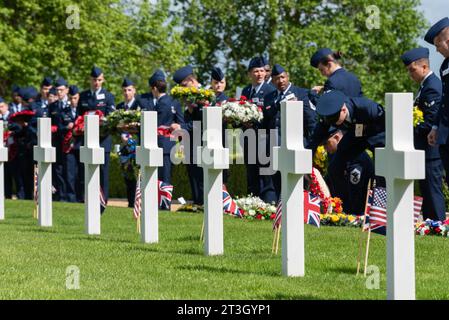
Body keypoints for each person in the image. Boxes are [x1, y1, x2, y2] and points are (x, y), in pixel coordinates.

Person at [401, 47, 446, 221]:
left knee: (433, 191)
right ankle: (430, 223)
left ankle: (438, 225)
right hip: (424, 150)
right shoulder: (425, 86)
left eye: (412, 70)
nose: (410, 74)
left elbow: (430, 122)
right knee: (427, 190)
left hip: (431, 150)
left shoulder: (432, 86)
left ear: (424, 67)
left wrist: (407, 127)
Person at [308, 90, 385, 189]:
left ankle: (380, 192)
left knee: (381, 171)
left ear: (343, 110)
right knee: (335, 166)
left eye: (335, 120)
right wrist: (306, 163)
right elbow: (314, 140)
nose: (333, 124)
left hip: (376, 136)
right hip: (355, 136)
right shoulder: (330, 116)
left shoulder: (367, 108)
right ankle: (340, 199)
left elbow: (385, 125)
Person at [263, 64, 317, 202]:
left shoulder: (301, 93)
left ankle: (300, 205)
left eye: (282, 77)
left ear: (288, 76)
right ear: (273, 80)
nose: (280, 81)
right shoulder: (270, 97)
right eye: (276, 78)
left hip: (296, 144)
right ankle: (280, 206)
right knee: (276, 177)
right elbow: (267, 119)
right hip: (275, 144)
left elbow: (311, 119)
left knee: (298, 178)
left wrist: (311, 145)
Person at [79, 66, 115, 206]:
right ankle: (89, 197)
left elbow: (111, 117)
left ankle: (103, 200)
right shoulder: (84, 96)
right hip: (88, 139)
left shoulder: (108, 96)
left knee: (103, 172)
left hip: (103, 139)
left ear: (103, 80)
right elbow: (79, 117)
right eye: (94, 80)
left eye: (99, 80)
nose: (96, 82)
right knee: (88, 170)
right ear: (90, 80)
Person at [241, 56, 276, 200]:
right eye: (256, 71)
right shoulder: (246, 90)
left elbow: (272, 116)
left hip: (265, 137)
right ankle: (252, 202)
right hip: (249, 137)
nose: (260, 74)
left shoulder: (270, 90)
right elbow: (240, 109)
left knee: (266, 173)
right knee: (252, 172)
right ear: (250, 73)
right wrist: (241, 121)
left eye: (262, 71)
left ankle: (268, 203)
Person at [323, 128, 374, 215]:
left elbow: (355, 189)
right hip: (343, 206)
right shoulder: (335, 153)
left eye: (326, 143)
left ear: (337, 137)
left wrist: (351, 215)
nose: (324, 148)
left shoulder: (355, 154)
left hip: (358, 208)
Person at [173, 65, 204, 205]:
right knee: (193, 177)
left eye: (184, 85)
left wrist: (182, 127)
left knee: (201, 178)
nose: (183, 89)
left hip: (203, 142)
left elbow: (202, 123)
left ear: (191, 81)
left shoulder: (205, 95)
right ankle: (197, 203)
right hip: (191, 144)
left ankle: (203, 204)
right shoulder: (189, 97)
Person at [426, 18, 449, 203]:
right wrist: (435, 127)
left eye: (437, 45)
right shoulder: (444, 66)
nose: (437, 50)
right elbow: (444, 100)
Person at [149, 70, 184, 184]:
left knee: (161, 180)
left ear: (154, 88)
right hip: (171, 145)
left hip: (160, 145)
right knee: (165, 178)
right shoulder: (175, 101)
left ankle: (163, 202)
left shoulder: (159, 104)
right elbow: (181, 123)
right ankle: (164, 202)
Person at [116, 78, 143, 207]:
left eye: (129, 90)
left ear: (134, 91)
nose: (127, 92)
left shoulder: (139, 105)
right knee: (127, 175)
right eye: (124, 90)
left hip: (136, 145)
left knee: (138, 175)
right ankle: (130, 202)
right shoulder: (120, 107)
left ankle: (138, 202)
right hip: (125, 147)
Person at [58, 85, 82, 203]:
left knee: (81, 174)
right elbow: (59, 128)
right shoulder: (64, 112)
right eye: (71, 98)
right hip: (69, 147)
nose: (73, 101)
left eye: (75, 98)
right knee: (70, 174)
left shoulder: (82, 111)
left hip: (81, 146)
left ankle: (81, 197)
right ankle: (71, 198)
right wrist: (67, 127)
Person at [0, 98, 12, 198]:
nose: (0, 109)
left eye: (2, 106)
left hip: (13, 149)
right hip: (2, 149)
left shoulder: (12, 117)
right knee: (4, 174)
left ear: (7, 106)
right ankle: (5, 194)